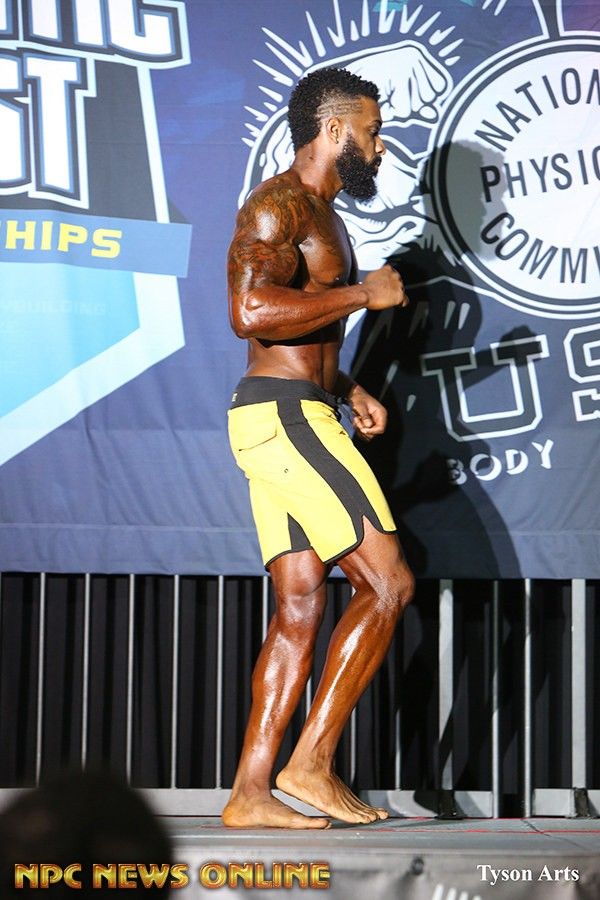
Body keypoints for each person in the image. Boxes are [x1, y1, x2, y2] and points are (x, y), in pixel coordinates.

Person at [224, 66, 414, 829]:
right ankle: (310, 764)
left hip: (292, 412)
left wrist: (348, 386)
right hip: (287, 420)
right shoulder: (279, 204)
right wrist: (365, 294)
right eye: (372, 131)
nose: (379, 145)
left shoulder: (323, 214)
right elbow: (249, 311)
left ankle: (249, 794)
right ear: (335, 131)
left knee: (301, 606)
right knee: (388, 583)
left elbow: (301, 326)